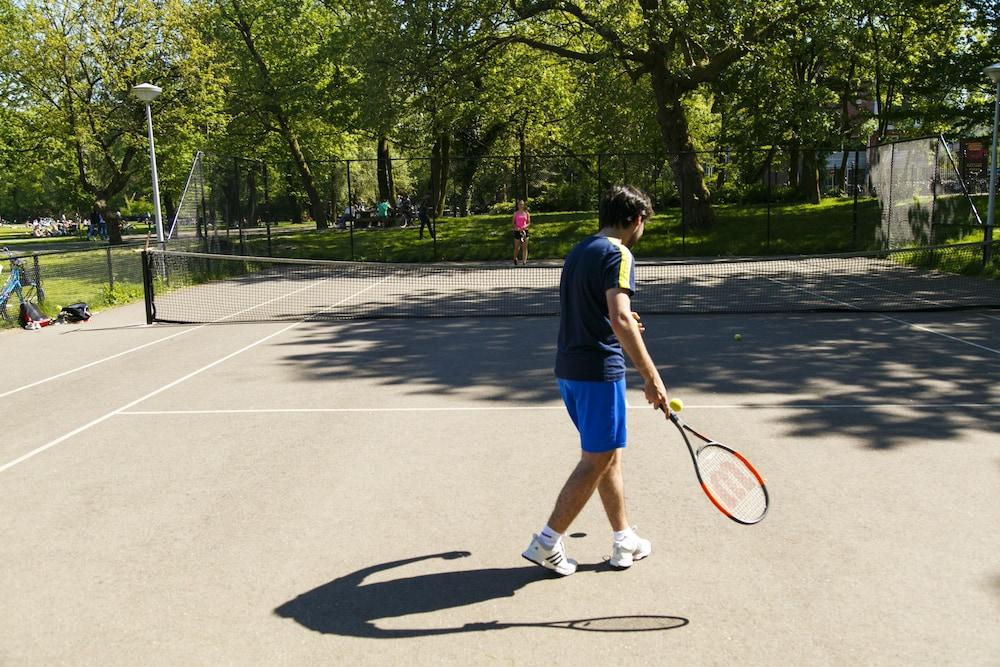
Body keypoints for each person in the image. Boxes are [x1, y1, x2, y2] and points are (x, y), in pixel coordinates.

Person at [522, 185, 667, 576]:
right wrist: (651, 378)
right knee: (596, 460)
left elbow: (594, 308)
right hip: (599, 372)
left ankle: (624, 540)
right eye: (643, 224)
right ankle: (547, 542)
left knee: (607, 457)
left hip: (568, 370)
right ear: (636, 220)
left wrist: (618, 319)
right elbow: (619, 318)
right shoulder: (619, 253)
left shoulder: (580, 250)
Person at [511, 200, 531, 265]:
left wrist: (525, 226)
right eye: (520, 204)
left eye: (522, 204)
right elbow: (513, 223)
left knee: (525, 247)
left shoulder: (527, 213)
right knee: (517, 247)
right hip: (517, 231)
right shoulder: (515, 213)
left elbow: (529, 222)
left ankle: (524, 261)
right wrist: (516, 227)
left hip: (525, 231)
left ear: (524, 205)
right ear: (518, 205)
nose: (521, 206)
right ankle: (515, 258)